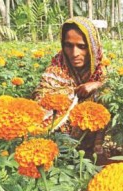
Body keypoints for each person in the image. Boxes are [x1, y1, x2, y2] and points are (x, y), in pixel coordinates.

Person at [33, 16, 108, 164]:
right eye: (68, 45)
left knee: (105, 97)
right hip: (60, 146)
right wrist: (71, 96)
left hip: (90, 147)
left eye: (82, 46)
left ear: (92, 47)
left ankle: (97, 152)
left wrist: (97, 85)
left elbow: (115, 89)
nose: (74, 53)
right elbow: (41, 99)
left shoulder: (103, 68)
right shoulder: (57, 68)